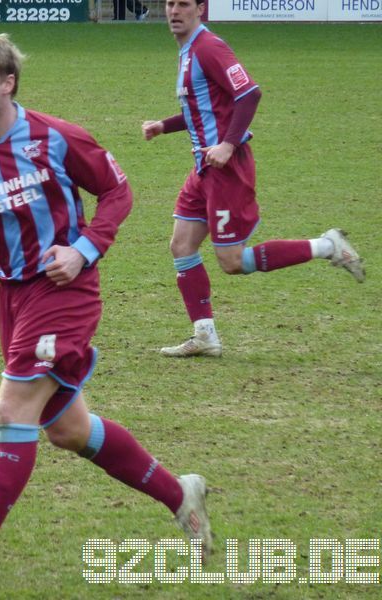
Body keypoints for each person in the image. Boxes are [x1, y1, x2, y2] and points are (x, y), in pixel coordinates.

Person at [0, 33, 212, 582]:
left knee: (12, 411)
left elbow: (117, 192)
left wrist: (83, 249)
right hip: (14, 297)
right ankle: (180, 493)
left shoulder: (55, 137)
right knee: (68, 429)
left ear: (7, 83)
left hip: (66, 293)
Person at [143, 0, 365, 358]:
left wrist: (228, 145)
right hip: (204, 168)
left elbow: (249, 93)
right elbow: (203, 107)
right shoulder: (187, 51)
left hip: (227, 168)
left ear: (201, 8)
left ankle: (328, 245)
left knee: (232, 262)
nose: (174, 11)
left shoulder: (208, 47)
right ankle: (205, 335)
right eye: (169, 3)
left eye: (183, 4)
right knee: (182, 245)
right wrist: (163, 126)